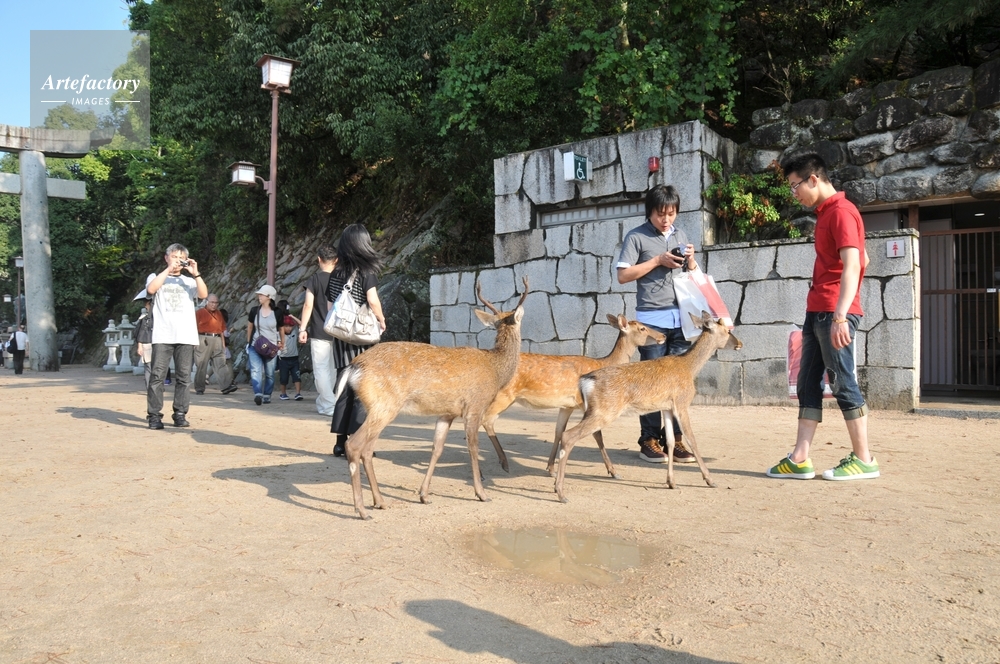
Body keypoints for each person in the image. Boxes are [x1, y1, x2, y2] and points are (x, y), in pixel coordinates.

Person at [767, 152, 879, 481]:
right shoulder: (827, 213)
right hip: (818, 310)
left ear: (813, 179)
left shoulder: (841, 211)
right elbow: (864, 259)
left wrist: (841, 315)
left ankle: (865, 459)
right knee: (807, 383)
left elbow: (854, 263)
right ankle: (800, 458)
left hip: (833, 312)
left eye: (795, 185)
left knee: (842, 381)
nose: (794, 193)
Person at [615, 185, 699, 464]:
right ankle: (649, 440)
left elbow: (691, 273)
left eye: (671, 213)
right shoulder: (636, 236)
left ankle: (675, 440)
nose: (666, 219)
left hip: (681, 319)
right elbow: (623, 276)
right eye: (661, 213)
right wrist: (657, 260)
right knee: (650, 384)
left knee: (678, 384)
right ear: (649, 211)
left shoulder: (680, 234)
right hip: (651, 322)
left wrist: (691, 260)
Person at [326, 224, 386, 457]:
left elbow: (331, 306)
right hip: (362, 341)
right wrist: (381, 319)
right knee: (363, 389)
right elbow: (372, 300)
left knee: (344, 388)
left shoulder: (335, 273)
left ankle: (340, 443)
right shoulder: (366, 272)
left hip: (342, 342)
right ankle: (358, 442)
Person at [145, 243, 207, 429]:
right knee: (157, 376)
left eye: (181, 258)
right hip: (163, 335)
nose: (178, 261)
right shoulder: (156, 277)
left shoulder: (189, 281)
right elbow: (151, 290)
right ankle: (154, 415)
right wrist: (168, 270)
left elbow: (203, 294)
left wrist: (195, 273)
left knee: (184, 377)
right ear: (166, 258)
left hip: (186, 335)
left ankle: (180, 413)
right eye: (174, 257)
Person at [297, 245, 338, 416]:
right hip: (338, 331)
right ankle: (324, 403)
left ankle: (329, 405)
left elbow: (308, 305)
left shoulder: (314, 280)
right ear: (336, 260)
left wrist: (302, 328)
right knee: (332, 369)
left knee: (321, 370)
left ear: (319, 259)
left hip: (319, 330)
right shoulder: (340, 279)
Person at [246, 284, 284, 406]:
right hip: (255, 345)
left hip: (271, 347)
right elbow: (250, 327)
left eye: (262, 294)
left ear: (269, 296)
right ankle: (258, 394)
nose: (259, 296)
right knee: (255, 370)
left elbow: (281, 329)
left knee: (270, 374)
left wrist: (281, 342)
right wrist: (249, 342)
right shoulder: (254, 311)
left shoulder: (277, 312)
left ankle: (267, 394)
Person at [193, 293, 236, 395]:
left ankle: (226, 386)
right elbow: (193, 328)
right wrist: (194, 342)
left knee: (220, 363)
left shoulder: (219, 313)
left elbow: (222, 329)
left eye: (216, 303)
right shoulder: (199, 313)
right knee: (202, 364)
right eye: (212, 302)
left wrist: (223, 345)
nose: (214, 304)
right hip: (203, 338)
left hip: (217, 339)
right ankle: (199, 387)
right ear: (207, 302)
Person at [277, 315, 303, 400]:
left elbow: (301, 324)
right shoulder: (279, 334)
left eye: (290, 326)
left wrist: (292, 316)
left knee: (297, 377)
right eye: (286, 326)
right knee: (283, 378)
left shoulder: (294, 331)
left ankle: (298, 393)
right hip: (283, 359)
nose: (288, 328)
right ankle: (283, 394)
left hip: (294, 358)